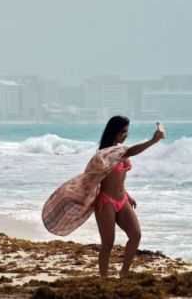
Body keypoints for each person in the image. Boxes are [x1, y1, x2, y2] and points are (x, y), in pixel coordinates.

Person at [41, 115, 164, 278]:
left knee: (136, 234)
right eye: (124, 131)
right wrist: (152, 141)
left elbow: (118, 178)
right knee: (108, 243)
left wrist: (127, 195)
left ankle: (124, 273)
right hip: (106, 202)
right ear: (115, 132)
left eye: (127, 131)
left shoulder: (119, 151)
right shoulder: (103, 155)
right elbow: (128, 154)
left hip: (122, 200)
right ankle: (103, 279)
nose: (126, 135)